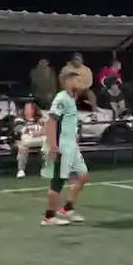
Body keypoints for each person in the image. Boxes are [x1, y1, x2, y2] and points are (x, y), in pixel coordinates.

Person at [41, 68, 90, 226]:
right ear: (67, 81)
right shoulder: (61, 98)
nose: (78, 82)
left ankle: (67, 208)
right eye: (75, 80)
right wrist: (53, 146)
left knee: (83, 176)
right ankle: (49, 217)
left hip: (72, 146)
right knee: (58, 182)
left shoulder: (72, 97)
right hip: (62, 145)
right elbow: (51, 122)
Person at [15, 101, 45, 179]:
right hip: (25, 140)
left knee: (47, 144)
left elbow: (46, 129)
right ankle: (21, 170)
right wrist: (30, 130)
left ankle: (45, 169)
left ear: (33, 110)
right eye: (26, 109)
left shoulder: (40, 119)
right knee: (22, 147)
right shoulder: (19, 119)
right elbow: (18, 129)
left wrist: (40, 132)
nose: (27, 111)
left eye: (29, 109)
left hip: (39, 139)